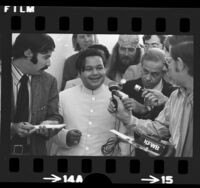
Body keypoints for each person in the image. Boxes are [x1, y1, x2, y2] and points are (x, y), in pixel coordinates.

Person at [108, 35, 193, 157]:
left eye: (168, 62)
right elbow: (159, 128)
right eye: (145, 71)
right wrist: (128, 119)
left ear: (179, 64)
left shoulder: (172, 93)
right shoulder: (176, 96)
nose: (166, 68)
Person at [53, 48, 129, 156]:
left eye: (99, 68)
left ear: (105, 69)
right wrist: (66, 137)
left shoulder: (118, 98)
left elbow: (125, 138)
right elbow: (52, 133)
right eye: (89, 69)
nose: (95, 73)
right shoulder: (63, 97)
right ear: (79, 72)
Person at [11, 34, 63, 155]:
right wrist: (12, 128)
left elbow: (56, 116)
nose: (49, 63)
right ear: (28, 53)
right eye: (46, 57)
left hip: (34, 152)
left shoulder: (49, 81)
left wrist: (51, 124)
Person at [122, 48, 176, 120]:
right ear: (141, 67)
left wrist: (145, 110)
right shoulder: (128, 87)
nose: (148, 78)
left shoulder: (172, 94)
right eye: (145, 71)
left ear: (163, 72)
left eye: (154, 74)